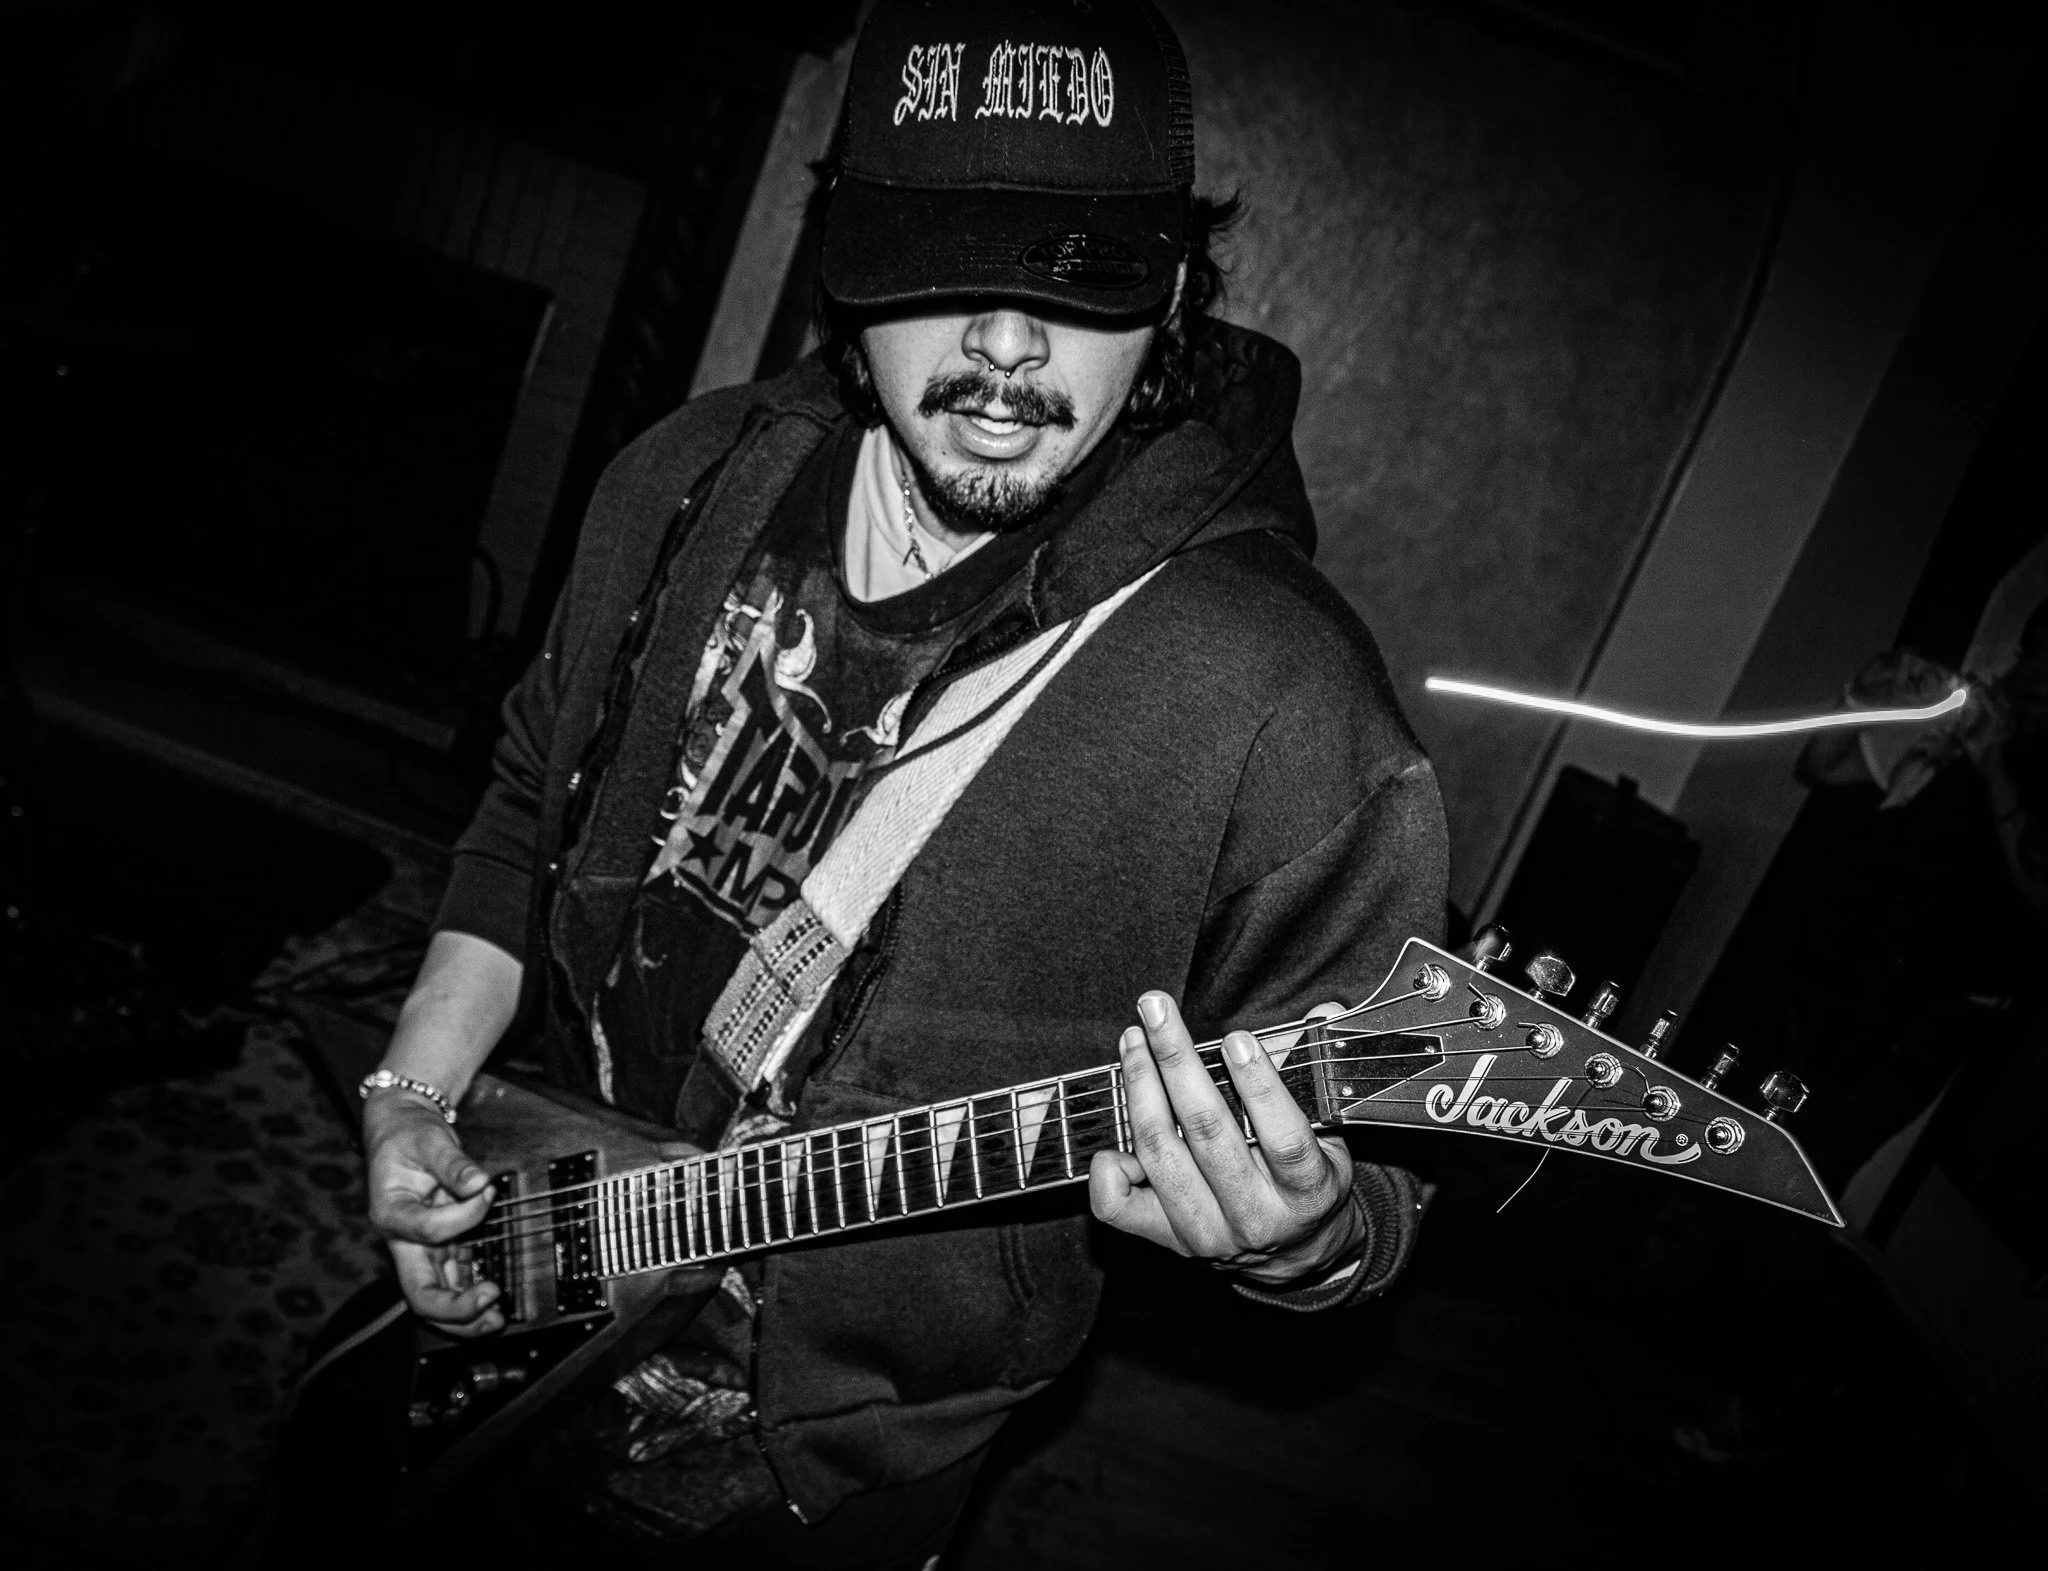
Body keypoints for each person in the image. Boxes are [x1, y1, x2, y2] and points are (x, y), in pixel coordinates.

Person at [360, 2, 1448, 1563]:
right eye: (949, 263)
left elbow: (1384, 1169)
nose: (1006, 344)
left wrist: (1310, 1237)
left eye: (1079, 275)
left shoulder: (1285, 699)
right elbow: (531, 796)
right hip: (537, 1241)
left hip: (826, 1468)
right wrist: (415, 1097)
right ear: (849, 265)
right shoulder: (684, 476)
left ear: (1174, 292)